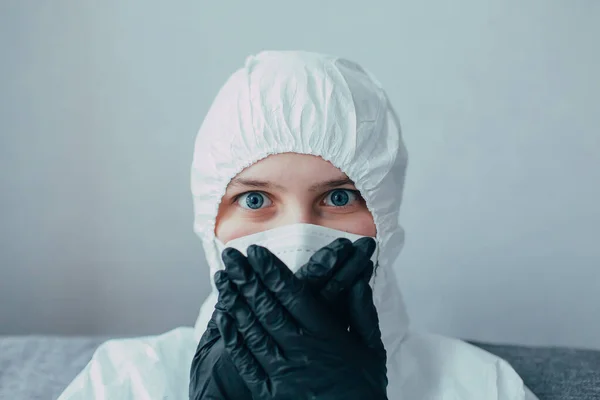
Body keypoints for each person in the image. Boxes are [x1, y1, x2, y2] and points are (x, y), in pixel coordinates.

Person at [58, 51, 539, 399]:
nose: (300, 235)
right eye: (255, 198)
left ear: (385, 217)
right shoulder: (125, 380)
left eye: (337, 197)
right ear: (211, 224)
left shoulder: (481, 385)